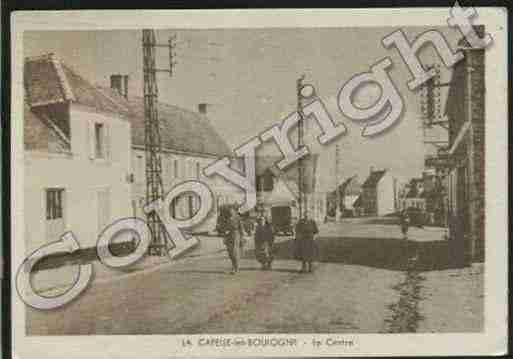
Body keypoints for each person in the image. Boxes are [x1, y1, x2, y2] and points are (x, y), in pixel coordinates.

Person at [218, 205, 244, 274]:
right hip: (228, 235)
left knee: (234, 251)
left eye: (232, 211)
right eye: (229, 211)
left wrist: (242, 237)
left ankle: (236, 268)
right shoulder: (226, 218)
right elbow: (223, 227)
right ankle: (233, 266)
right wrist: (224, 236)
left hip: (235, 234)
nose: (230, 212)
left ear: (234, 211)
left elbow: (241, 228)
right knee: (230, 252)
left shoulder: (237, 218)